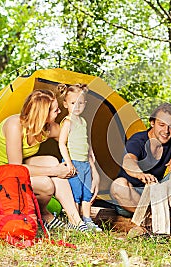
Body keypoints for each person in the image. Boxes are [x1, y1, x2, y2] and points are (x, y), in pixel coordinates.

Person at [0, 89, 88, 232]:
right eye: (55, 110)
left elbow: (76, 142)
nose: (60, 112)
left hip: (13, 169)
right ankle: (43, 214)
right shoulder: (14, 125)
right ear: (43, 114)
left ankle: (76, 221)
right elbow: (15, 167)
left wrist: (90, 169)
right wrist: (55, 171)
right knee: (46, 184)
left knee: (52, 161)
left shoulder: (47, 128)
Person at [110, 103, 171, 237]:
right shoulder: (138, 140)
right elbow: (128, 161)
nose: (166, 131)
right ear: (152, 123)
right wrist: (140, 174)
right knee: (118, 184)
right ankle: (152, 219)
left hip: (158, 194)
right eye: (161, 125)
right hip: (132, 198)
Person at [58, 83, 102, 232]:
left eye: (80, 103)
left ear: (85, 104)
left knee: (87, 192)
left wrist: (90, 153)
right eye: (73, 103)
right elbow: (62, 144)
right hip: (74, 163)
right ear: (65, 104)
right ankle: (74, 221)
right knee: (75, 192)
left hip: (85, 163)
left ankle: (87, 220)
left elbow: (85, 140)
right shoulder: (67, 122)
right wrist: (68, 163)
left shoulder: (83, 121)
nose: (77, 106)